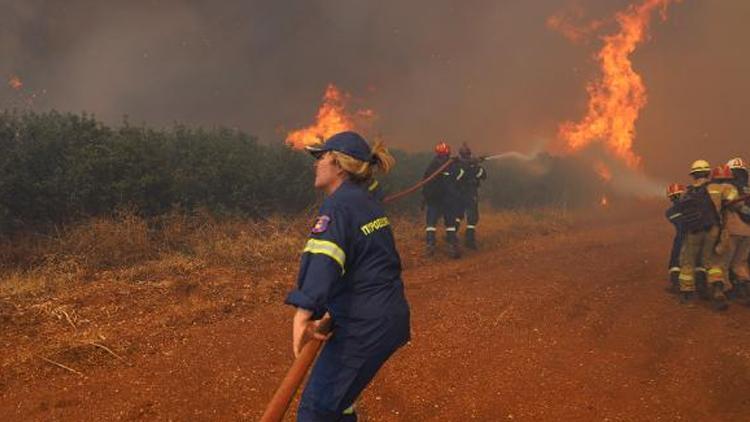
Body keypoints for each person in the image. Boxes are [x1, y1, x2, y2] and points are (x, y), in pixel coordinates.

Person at [284, 131, 411, 421]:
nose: (315, 164)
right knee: (339, 402)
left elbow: (325, 258)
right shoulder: (365, 200)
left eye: (321, 157)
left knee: (317, 410)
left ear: (338, 165)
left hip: (364, 324)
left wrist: (304, 310)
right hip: (380, 317)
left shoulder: (339, 205)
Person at [673, 159, 719, 305]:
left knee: (687, 262)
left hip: (693, 231)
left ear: (693, 175)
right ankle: (718, 289)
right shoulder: (715, 188)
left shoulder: (688, 193)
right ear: (708, 172)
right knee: (711, 260)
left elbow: (680, 212)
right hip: (712, 229)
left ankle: (687, 296)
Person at [422, 141, 462, 258]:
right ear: (447, 153)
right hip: (444, 200)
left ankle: (430, 245)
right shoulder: (449, 166)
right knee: (449, 223)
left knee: (431, 223)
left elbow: (424, 182)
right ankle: (450, 245)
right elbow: (458, 176)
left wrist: (424, 198)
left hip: (435, 200)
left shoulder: (432, 165)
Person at [720, 157, 750, 302]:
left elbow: (728, 205)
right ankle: (745, 288)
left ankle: (727, 290)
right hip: (748, 232)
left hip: (732, 230)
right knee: (740, 263)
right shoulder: (748, 188)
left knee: (725, 262)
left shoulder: (728, 188)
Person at [456, 143, 487, 249]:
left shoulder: (457, 165)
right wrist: (476, 166)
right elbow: (483, 175)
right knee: (472, 217)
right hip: (470, 193)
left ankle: (451, 238)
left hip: (459, 194)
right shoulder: (471, 166)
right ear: (469, 154)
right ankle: (469, 241)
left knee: (457, 216)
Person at [665, 183, 686, 294]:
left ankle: (676, 284)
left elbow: (679, 224)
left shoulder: (670, 212)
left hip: (681, 237)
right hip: (697, 234)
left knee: (675, 260)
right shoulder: (693, 206)